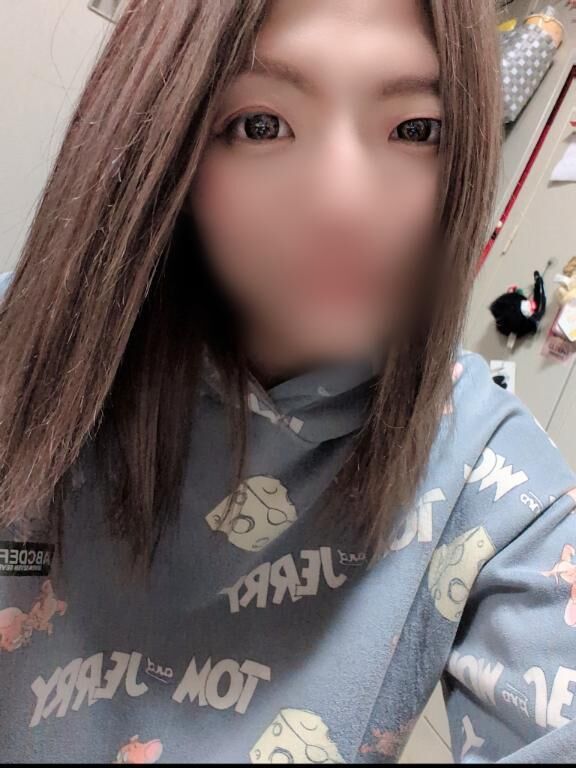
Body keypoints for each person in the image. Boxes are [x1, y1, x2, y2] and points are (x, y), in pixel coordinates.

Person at [0, 0, 575, 763]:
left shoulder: (488, 473)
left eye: (415, 130)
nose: (343, 204)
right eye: (261, 124)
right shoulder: (23, 350)